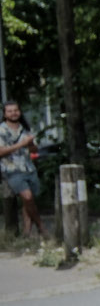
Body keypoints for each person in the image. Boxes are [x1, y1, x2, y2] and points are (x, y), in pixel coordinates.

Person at [0, 100, 43, 238]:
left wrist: (30, 144)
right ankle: (41, 227)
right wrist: (21, 144)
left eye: (16, 110)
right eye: (10, 111)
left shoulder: (25, 128)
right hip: (11, 170)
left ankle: (27, 232)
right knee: (27, 197)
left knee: (28, 202)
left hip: (28, 168)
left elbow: (34, 150)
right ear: (5, 114)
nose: (13, 113)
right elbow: (1, 151)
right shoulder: (1, 130)